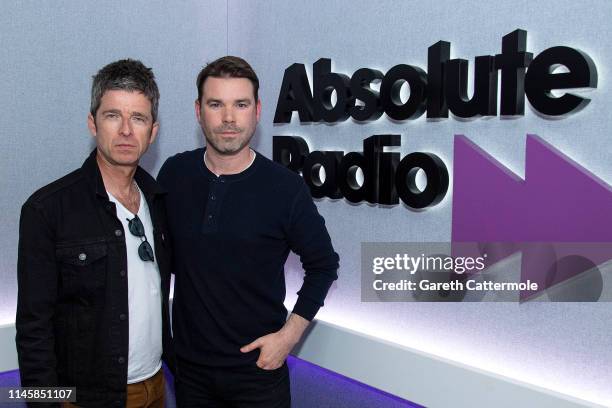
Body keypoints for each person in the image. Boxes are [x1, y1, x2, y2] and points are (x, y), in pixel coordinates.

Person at [157, 56, 339, 407]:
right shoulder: (174, 174)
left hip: (258, 375)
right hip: (189, 373)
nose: (228, 118)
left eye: (240, 104)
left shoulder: (285, 188)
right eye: (216, 104)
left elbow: (324, 265)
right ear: (198, 111)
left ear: (257, 111)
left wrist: (288, 338)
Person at [16, 59, 175, 408]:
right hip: (86, 398)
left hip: (156, 387)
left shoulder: (159, 201)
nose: (126, 130)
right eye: (112, 115)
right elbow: (33, 327)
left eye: (138, 118)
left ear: (153, 131)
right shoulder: (47, 210)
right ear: (92, 123)